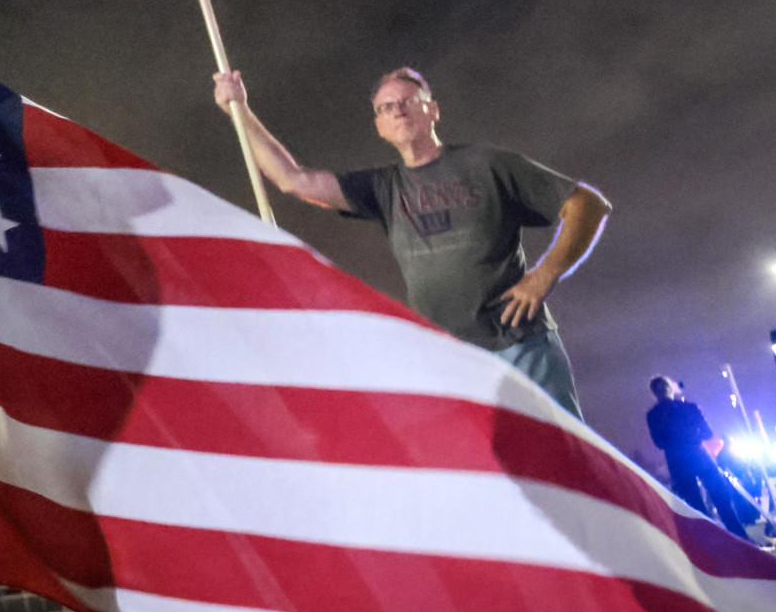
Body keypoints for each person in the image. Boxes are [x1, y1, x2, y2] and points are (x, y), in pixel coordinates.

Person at [212, 67, 609, 418]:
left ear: (432, 109)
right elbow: (293, 180)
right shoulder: (384, 187)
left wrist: (546, 274)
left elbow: (587, 205)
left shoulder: (486, 164)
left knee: (567, 470)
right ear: (379, 126)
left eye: (407, 101)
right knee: (479, 482)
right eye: (386, 107)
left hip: (521, 347)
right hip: (449, 361)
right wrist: (239, 111)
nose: (397, 110)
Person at [644, 377, 752, 539]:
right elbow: (707, 433)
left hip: (676, 459)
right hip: (697, 453)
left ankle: (710, 540)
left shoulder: (653, 415)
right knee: (720, 496)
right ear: (670, 388)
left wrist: (674, 440)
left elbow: (659, 443)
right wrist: (691, 436)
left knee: (694, 503)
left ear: (654, 393)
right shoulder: (689, 407)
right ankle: (738, 535)